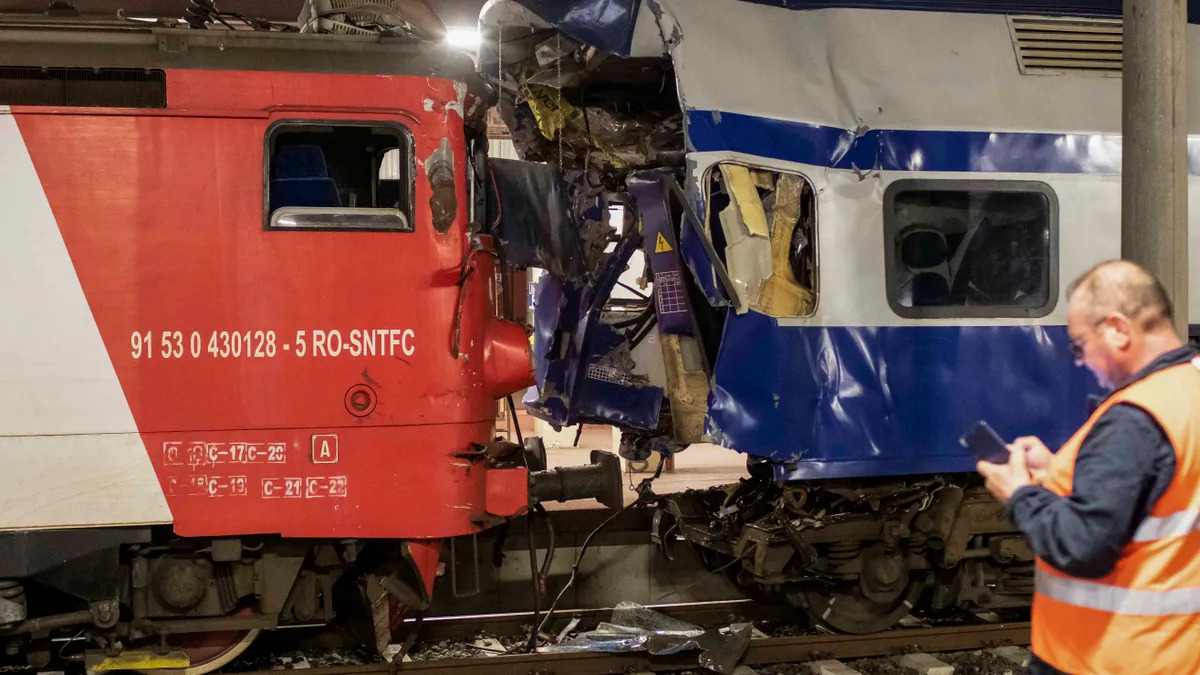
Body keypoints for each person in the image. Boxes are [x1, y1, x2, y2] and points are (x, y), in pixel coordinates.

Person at [976, 259, 1200, 675]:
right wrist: (1058, 468)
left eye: (1079, 346)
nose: (1080, 362)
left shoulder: (1136, 417)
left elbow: (1082, 547)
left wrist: (1021, 494)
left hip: (1101, 659)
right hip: (1171, 654)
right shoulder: (1188, 386)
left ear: (1117, 329)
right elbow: (1158, 496)